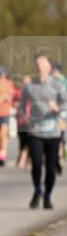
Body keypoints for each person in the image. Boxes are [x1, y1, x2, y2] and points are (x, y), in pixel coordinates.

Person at [20, 55, 67, 210]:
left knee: (51, 166)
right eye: (38, 64)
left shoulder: (58, 85)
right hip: (35, 131)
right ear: (35, 67)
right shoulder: (29, 86)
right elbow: (21, 104)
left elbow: (65, 103)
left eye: (43, 64)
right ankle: (37, 190)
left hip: (53, 132)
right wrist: (25, 117)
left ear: (49, 66)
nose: (40, 67)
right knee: (36, 165)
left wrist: (58, 109)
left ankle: (47, 195)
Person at [0, 66, 15, 167]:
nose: (0, 76)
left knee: (3, 133)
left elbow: (10, 95)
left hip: (5, 112)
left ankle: (3, 154)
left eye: (2, 74)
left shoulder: (8, 83)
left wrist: (4, 97)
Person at [15, 74, 32, 170]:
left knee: (30, 142)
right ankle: (22, 157)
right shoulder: (18, 93)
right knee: (22, 141)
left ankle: (27, 161)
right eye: (24, 82)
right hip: (21, 121)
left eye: (28, 82)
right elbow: (12, 101)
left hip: (31, 121)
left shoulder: (34, 92)